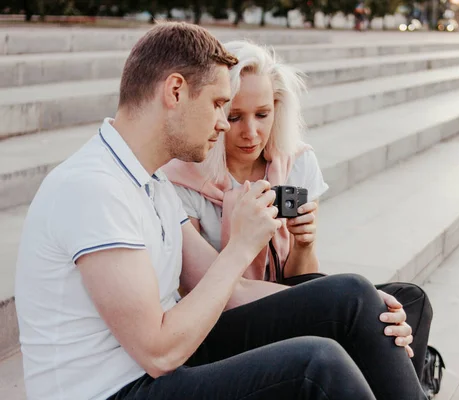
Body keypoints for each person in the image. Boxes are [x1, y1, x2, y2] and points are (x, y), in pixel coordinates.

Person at [14, 22, 427, 400]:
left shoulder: (151, 183)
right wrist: (240, 247)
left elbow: (235, 293)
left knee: (353, 296)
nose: (225, 124)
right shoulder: (93, 187)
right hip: (120, 389)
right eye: (217, 105)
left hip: (165, 366)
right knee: (316, 367)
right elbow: (158, 352)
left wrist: (368, 309)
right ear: (175, 92)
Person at [163, 40, 433, 381]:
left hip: (283, 295)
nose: (251, 132)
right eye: (234, 117)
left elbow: (301, 273)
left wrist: (304, 243)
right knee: (360, 304)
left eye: (262, 114)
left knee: (410, 302)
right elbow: (196, 293)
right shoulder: (184, 178)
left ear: (278, 108)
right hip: (221, 320)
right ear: (216, 112)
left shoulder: (295, 162)